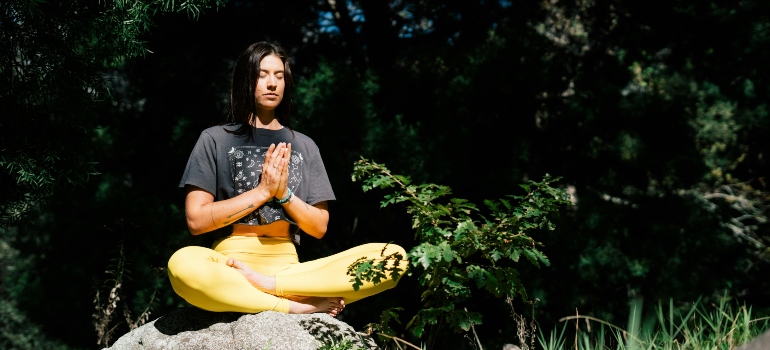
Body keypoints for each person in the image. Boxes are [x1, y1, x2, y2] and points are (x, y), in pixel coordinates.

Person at [166, 41, 406, 317]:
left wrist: (284, 194)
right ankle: (289, 305)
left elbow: (318, 227)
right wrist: (262, 191)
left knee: (393, 259)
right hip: (231, 264)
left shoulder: (304, 145)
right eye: (262, 75)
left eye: (279, 76)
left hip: (291, 269)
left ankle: (270, 287)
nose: (272, 84)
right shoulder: (215, 139)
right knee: (182, 264)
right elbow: (196, 221)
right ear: (246, 79)